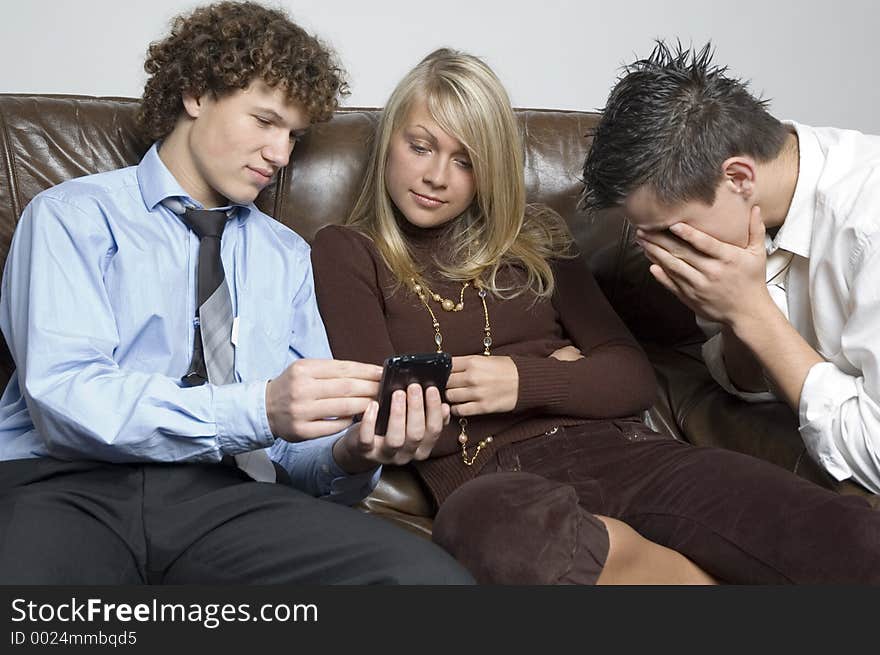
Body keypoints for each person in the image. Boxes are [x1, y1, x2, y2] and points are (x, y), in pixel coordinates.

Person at [311, 47, 880, 584]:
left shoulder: (537, 239)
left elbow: (630, 380)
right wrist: (571, 375)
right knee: (505, 535)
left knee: (840, 534)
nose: (437, 175)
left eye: (466, 160)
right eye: (420, 146)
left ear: (492, 170)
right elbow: (398, 413)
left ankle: (636, 564)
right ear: (390, 142)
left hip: (626, 451)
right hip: (490, 476)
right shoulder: (346, 250)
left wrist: (518, 379)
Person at [0, 1, 473, 585]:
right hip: (66, 487)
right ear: (196, 94)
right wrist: (257, 408)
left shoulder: (290, 258)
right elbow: (65, 398)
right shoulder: (70, 218)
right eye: (265, 122)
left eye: (295, 136)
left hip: (225, 501)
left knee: (431, 585)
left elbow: (296, 456)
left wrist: (351, 451)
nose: (281, 155)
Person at [582, 41, 880, 496]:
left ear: (739, 177)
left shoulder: (867, 226)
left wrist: (750, 311)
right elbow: (748, 385)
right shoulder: (734, 223)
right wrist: (736, 315)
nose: (662, 251)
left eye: (669, 230)